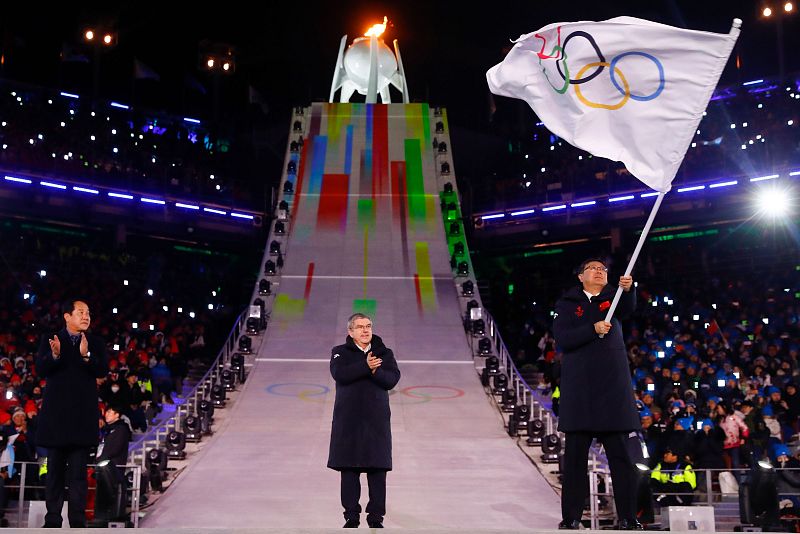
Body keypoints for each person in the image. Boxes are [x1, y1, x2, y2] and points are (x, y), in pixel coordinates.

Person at [553, 258, 641, 530]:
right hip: (580, 392)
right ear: (581, 277)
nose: (599, 272)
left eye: (603, 269)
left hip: (612, 392)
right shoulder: (566, 305)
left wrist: (629, 289)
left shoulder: (614, 299)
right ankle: (572, 517)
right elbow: (563, 339)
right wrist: (592, 330)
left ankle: (628, 517)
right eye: (593, 268)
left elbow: (628, 308)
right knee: (576, 460)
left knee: (623, 460)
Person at [36, 299, 108, 528]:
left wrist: (86, 355)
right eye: (80, 312)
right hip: (56, 420)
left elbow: (102, 369)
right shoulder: (50, 339)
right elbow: (41, 369)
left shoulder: (95, 342)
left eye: (88, 312)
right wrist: (55, 355)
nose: (86, 316)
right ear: (67, 316)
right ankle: (52, 520)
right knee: (54, 474)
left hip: (81, 420)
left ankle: (77, 522)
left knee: (78, 476)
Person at [327, 313, 400, 529]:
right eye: (359, 327)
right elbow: (340, 374)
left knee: (378, 470)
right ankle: (351, 516)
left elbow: (391, 380)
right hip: (348, 422)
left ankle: (376, 517)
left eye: (368, 326)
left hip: (376, 422)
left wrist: (375, 369)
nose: (365, 330)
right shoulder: (340, 352)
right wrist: (365, 366)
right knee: (349, 469)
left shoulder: (384, 353)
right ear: (350, 331)